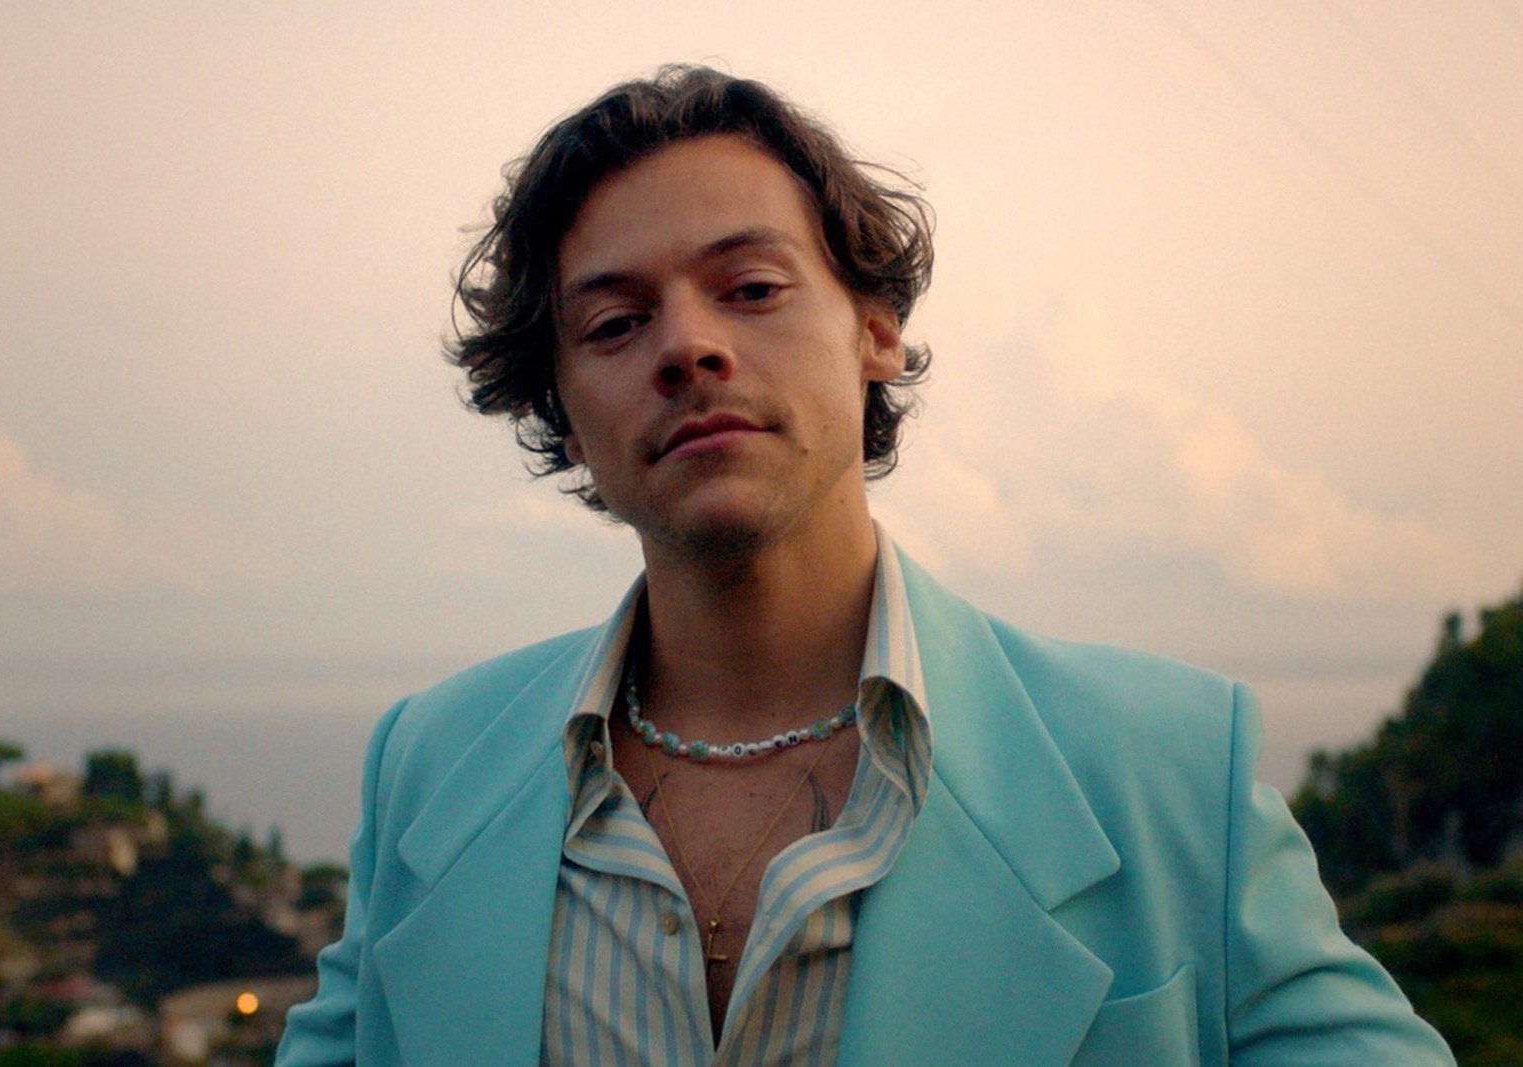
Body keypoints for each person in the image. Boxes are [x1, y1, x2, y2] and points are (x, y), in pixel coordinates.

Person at [277, 66, 1453, 1066]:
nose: (688, 345)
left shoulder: (1170, 770)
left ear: (874, 330)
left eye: (751, 288)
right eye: (614, 323)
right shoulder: (429, 769)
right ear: (562, 411)